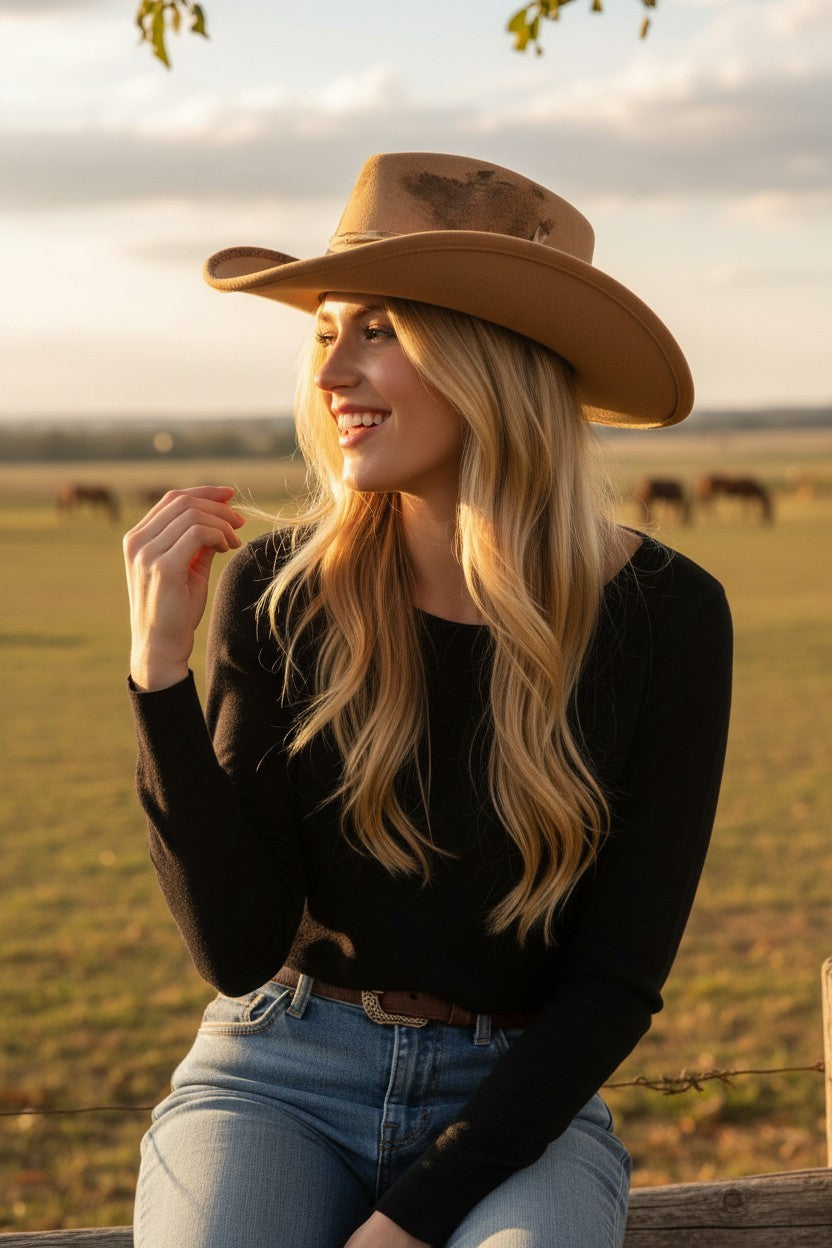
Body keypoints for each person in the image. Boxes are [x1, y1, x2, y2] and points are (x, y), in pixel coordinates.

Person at [123, 152, 732, 1248]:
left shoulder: (670, 618)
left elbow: (613, 983)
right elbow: (237, 948)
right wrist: (158, 677)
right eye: (324, 333)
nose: (329, 377)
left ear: (493, 360)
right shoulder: (277, 592)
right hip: (280, 1076)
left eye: (378, 332)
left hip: (521, 1110)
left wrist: (408, 1224)